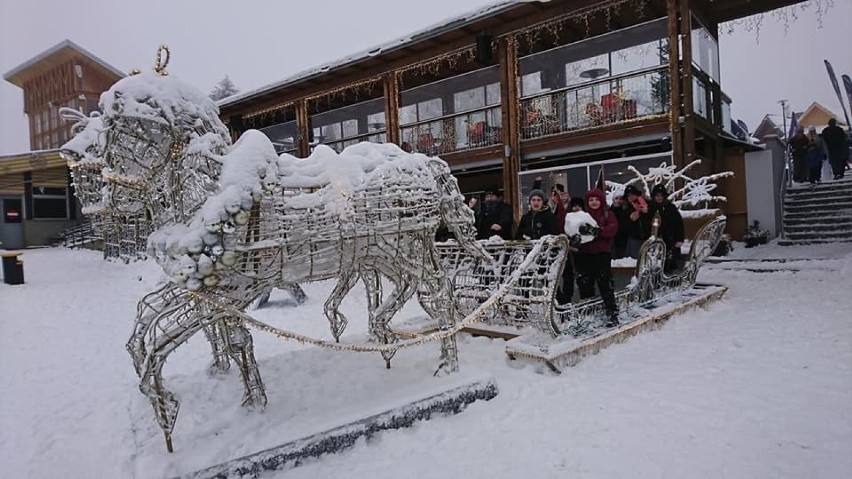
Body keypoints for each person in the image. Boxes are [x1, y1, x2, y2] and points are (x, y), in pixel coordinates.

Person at [568, 188, 619, 327]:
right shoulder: (581, 215)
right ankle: (588, 313)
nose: (594, 202)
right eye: (591, 200)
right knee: (585, 285)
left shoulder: (608, 214)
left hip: (602, 254)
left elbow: (612, 229)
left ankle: (611, 313)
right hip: (584, 254)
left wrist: (598, 231)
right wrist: (575, 238)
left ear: (601, 201)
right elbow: (572, 230)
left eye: (596, 199)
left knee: (605, 285)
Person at [649, 184, 684, 273]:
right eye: (657, 196)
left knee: (671, 262)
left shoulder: (671, 208)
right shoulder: (651, 208)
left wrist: (679, 239)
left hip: (670, 240)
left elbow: (679, 224)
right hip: (655, 240)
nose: (659, 198)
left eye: (661, 196)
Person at [622, 185, 652, 258]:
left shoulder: (648, 204)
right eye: (629, 196)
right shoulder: (626, 209)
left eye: (633, 194)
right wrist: (631, 220)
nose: (631, 197)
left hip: (648, 238)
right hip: (634, 239)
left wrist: (648, 212)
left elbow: (656, 217)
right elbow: (623, 226)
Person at [609, 190, 630, 259]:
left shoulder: (626, 211)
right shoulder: (609, 211)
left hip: (624, 239)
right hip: (613, 240)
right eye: (616, 198)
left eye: (621, 199)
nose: (618, 201)